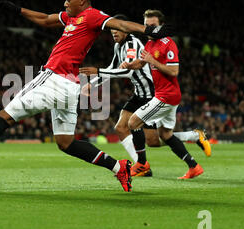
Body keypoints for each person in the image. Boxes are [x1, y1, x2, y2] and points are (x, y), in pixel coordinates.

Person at [0, 0, 173, 192]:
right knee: (66, 142)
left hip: (54, 78)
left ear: (82, 0)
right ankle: (119, 167)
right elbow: (45, 19)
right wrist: (16, 9)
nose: (65, 3)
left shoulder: (92, 16)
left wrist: (149, 31)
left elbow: (122, 25)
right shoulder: (71, 17)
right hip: (70, 87)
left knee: (5, 116)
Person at [80, 14, 211, 177]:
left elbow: (126, 72)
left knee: (153, 140)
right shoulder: (120, 46)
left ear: (125, 30)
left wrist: (98, 71)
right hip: (139, 93)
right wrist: (91, 84)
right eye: (111, 29)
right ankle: (142, 165)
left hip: (151, 93)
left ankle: (190, 138)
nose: (114, 32)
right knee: (121, 127)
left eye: (117, 28)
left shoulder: (133, 43)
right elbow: (116, 67)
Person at [120, 9, 203, 179]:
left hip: (166, 96)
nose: (149, 29)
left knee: (133, 122)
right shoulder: (150, 43)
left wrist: (153, 61)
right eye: (146, 26)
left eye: (153, 26)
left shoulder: (168, 43)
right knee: (165, 135)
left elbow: (174, 71)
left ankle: (141, 164)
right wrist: (129, 65)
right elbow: (141, 63)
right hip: (166, 95)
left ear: (161, 26)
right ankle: (194, 166)